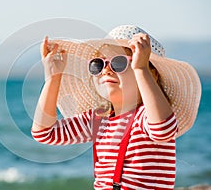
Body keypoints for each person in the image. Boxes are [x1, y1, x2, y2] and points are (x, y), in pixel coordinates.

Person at [31, 25, 201, 189]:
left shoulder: (145, 117)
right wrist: (53, 79)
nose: (106, 70)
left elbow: (164, 129)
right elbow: (45, 133)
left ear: (152, 75)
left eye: (118, 63)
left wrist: (141, 69)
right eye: (98, 64)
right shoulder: (98, 119)